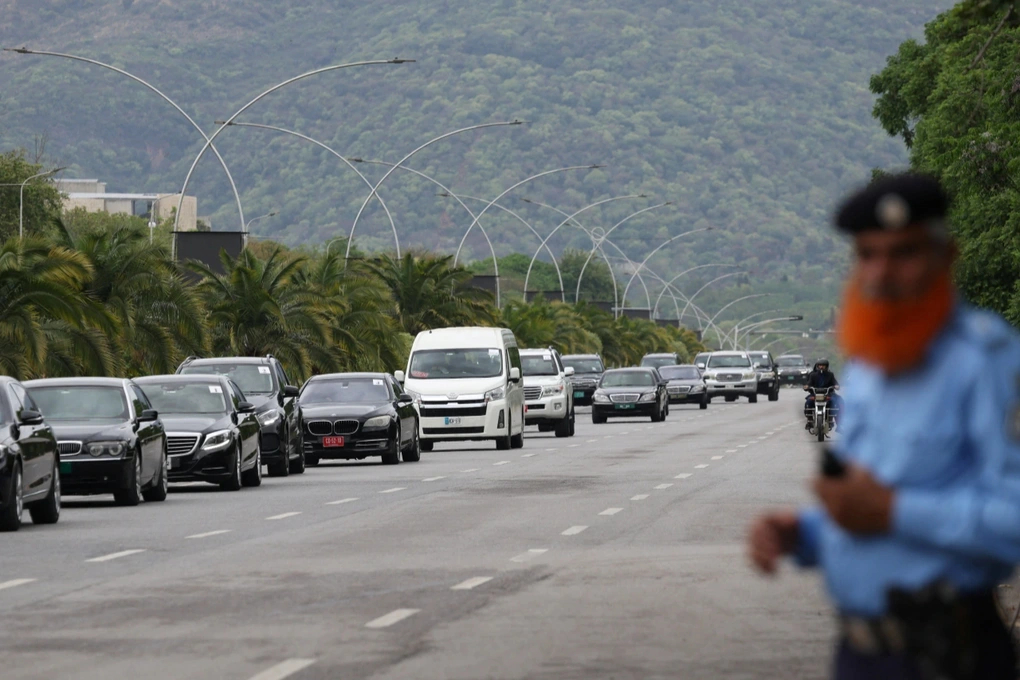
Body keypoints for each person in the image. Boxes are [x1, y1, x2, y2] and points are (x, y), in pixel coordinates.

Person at [748, 173, 1020, 679]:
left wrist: (895, 512)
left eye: (904, 253)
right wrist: (803, 534)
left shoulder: (986, 361)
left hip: (945, 655)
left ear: (946, 254)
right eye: (868, 255)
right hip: (860, 653)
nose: (883, 272)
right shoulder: (870, 367)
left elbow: (1012, 520)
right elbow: (867, 500)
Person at [803, 358, 841, 430]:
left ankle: (835, 421)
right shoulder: (812, 375)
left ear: (826, 366)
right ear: (817, 366)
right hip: (815, 395)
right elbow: (809, 383)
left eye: (823, 365)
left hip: (828, 394)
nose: (821, 367)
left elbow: (835, 383)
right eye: (820, 365)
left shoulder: (830, 375)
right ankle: (810, 420)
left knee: (836, 402)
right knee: (808, 402)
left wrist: (836, 386)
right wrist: (807, 386)